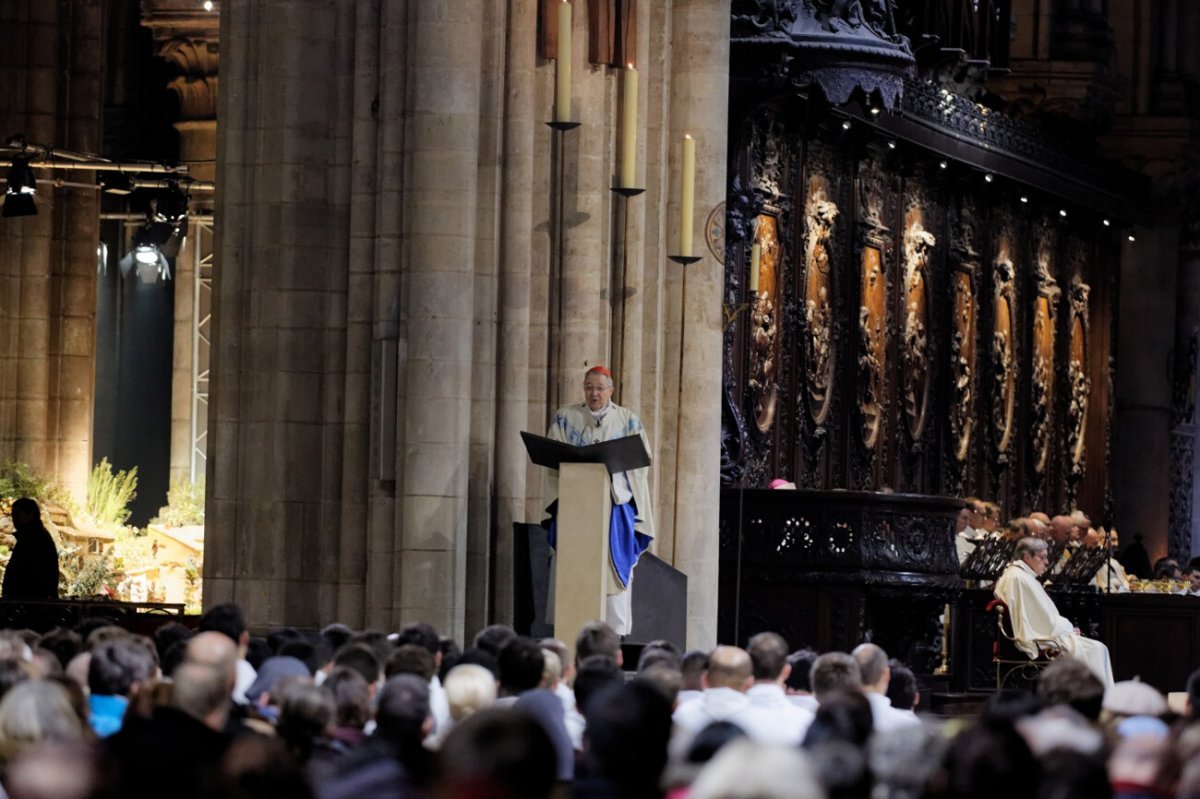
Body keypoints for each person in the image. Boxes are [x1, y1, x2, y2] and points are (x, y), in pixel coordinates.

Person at [544, 365, 656, 635]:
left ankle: (609, 637)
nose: (594, 393)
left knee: (611, 572)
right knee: (572, 574)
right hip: (575, 510)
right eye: (589, 387)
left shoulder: (628, 421)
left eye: (599, 388)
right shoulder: (565, 418)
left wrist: (611, 472)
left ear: (611, 390)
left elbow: (641, 463)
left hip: (613, 510)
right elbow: (552, 458)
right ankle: (570, 630)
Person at [993, 537, 1114, 686]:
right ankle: (1091, 700)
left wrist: (1066, 629)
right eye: (1042, 557)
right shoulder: (1019, 579)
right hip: (1039, 639)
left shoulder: (1018, 575)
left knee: (1098, 648)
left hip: (1045, 633)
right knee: (1097, 649)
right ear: (1027, 557)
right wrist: (1068, 630)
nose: (1046, 562)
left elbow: (1038, 616)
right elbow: (1041, 621)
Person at [2, 498, 59, 600]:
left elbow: (29, 575)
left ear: (31, 514)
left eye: (17, 515)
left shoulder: (34, 538)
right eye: (13, 515)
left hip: (30, 605)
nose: (14, 519)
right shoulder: (32, 536)